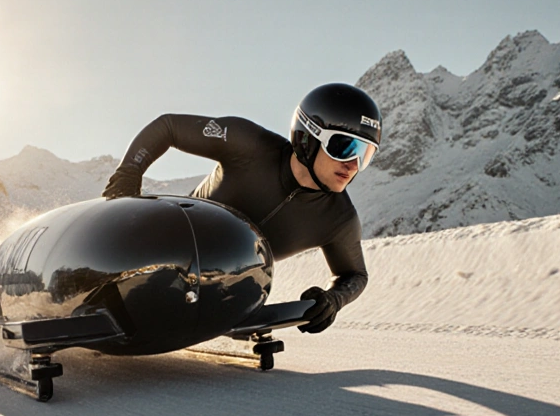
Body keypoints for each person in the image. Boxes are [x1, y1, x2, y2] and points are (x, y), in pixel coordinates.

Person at [102, 83, 382, 334]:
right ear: (308, 136)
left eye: (365, 154)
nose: (353, 165)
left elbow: (355, 274)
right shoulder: (249, 145)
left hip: (228, 292)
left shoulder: (339, 218)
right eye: (344, 147)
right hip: (164, 249)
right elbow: (168, 127)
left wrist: (333, 300)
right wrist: (129, 173)